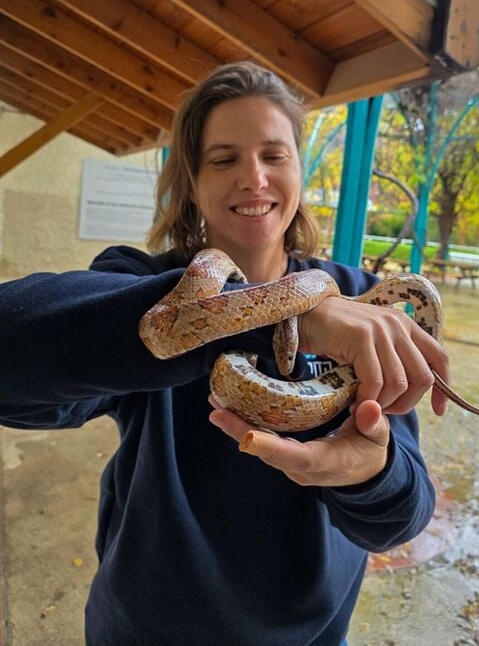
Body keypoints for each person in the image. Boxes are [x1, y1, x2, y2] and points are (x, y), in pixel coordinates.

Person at [0, 62, 450, 645]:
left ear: (300, 170)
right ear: (190, 179)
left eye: (274, 154)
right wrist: (292, 316)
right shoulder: (142, 284)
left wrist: (372, 474)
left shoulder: (358, 303)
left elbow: (403, 516)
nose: (254, 178)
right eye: (224, 158)